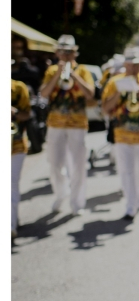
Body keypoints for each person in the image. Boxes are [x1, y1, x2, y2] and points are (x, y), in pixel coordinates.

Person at [101, 46, 139, 220]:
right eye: (130, 65)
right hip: (121, 133)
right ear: (125, 64)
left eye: (136, 65)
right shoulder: (114, 82)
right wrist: (118, 94)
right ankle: (130, 204)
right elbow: (105, 108)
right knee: (126, 170)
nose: (133, 68)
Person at [39, 35, 95, 215]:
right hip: (55, 124)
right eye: (62, 51)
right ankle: (60, 193)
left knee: (78, 164)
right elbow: (44, 94)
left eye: (69, 52)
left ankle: (77, 202)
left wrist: (74, 75)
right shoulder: (51, 71)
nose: (65, 55)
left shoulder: (83, 70)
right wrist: (57, 74)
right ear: (56, 53)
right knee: (54, 163)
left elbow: (90, 95)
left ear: (75, 53)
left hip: (77, 124)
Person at [11, 69, 31, 240]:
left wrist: (14, 112)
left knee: (11, 182)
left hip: (16, 144)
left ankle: (10, 225)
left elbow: (28, 114)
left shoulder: (18, 88)